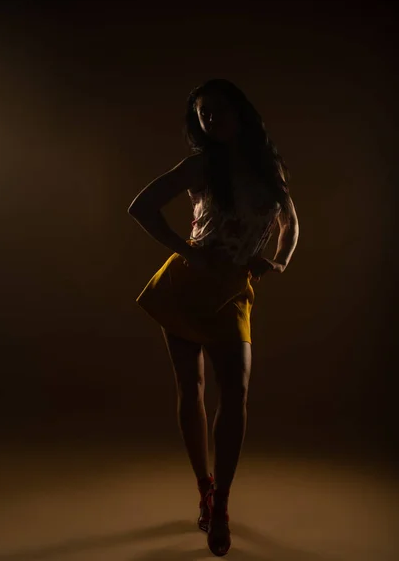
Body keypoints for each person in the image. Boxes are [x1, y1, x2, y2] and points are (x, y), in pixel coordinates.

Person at [128, 78, 299, 556]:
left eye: (218, 111)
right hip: (185, 286)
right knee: (193, 389)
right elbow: (141, 207)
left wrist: (279, 261)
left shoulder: (270, 171)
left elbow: (290, 221)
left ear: (240, 113)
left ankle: (220, 500)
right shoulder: (202, 165)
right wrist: (187, 251)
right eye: (203, 116)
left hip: (233, 292)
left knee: (237, 390)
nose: (211, 120)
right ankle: (208, 493)